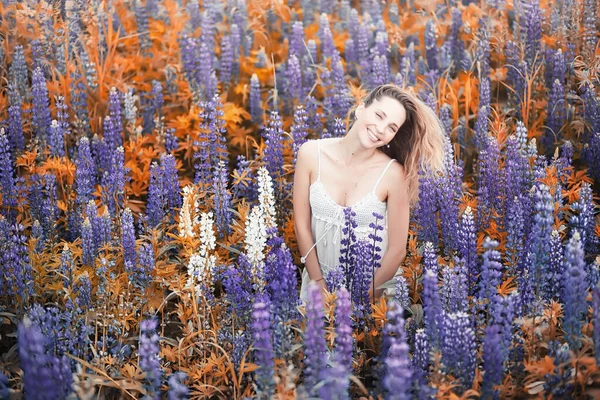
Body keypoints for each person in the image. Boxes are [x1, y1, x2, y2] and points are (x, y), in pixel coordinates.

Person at [293, 84, 446, 304]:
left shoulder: (393, 174)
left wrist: (364, 299)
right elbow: (301, 224)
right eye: (379, 115)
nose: (381, 128)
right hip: (320, 285)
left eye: (392, 127)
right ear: (360, 109)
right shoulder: (310, 153)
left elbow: (396, 250)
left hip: (374, 291)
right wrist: (317, 281)